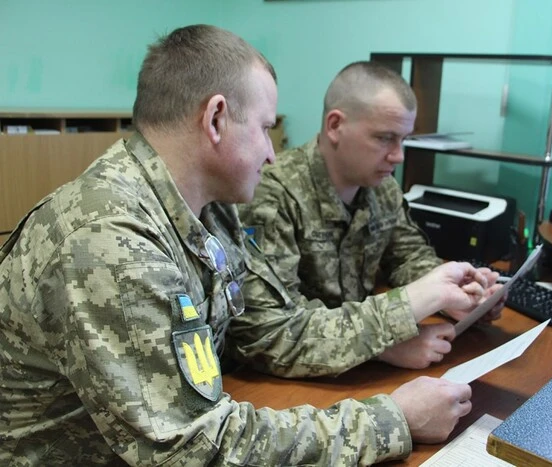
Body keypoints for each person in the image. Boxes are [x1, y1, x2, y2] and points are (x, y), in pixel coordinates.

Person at [0, 25, 479, 465]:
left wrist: (388, 340)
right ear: (216, 119)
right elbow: (194, 449)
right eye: (266, 126)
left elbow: (270, 330)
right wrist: (392, 419)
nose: (273, 151)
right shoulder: (109, 240)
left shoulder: (206, 207)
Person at [234, 61, 504, 378]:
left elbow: (406, 257)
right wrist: (385, 347)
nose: (398, 156)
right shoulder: (271, 194)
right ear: (335, 126)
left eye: (403, 139)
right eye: (385, 138)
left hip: (352, 364)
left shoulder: (382, 188)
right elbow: (270, 334)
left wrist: (458, 295)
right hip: (289, 381)